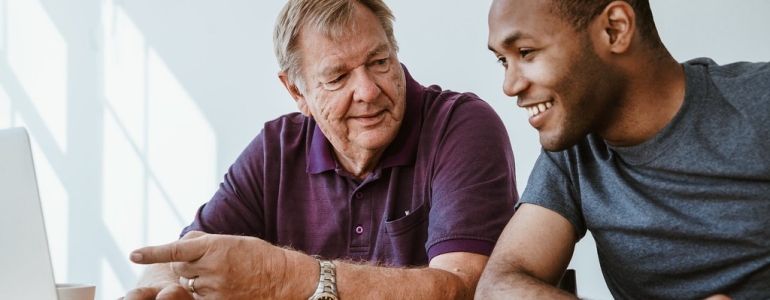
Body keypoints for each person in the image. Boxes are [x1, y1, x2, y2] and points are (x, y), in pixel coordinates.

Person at [119, 0, 518, 299]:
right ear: (297, 91)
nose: (366, 91)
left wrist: (284, 276)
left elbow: (464, 289)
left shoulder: (460, 126)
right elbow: (185, 257)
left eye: (379, 61)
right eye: (338, 76)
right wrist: (160, 286)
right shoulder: (276, 148)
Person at [477, 0, 770, 299]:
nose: (509, 86)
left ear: (614, 29)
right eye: (503, 60)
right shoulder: (573, 150)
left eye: (526, 52)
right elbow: (498, 288)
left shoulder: (760, 101)